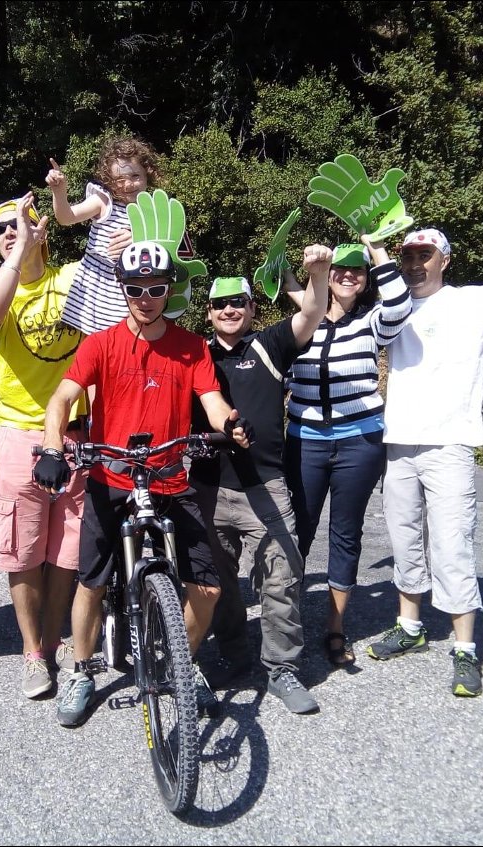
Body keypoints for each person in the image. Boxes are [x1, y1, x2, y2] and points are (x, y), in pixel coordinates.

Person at [32, 241, 252, 729]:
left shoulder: (191, 345)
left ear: (168, 289)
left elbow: (210, 397)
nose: (146, 297)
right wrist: (52, 447)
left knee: (208, 588)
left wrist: (228, 423)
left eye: (155, 288)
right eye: (135, 289)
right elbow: (62, 397)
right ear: (123, 289)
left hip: (170, 477)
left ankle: (181, 660)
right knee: (90, 580)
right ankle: (82, 669)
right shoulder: (100, 343)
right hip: (110, 476)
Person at [367, 227, 483, 698]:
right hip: (399, 442)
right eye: (407, 255)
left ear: (444, 260)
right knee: (405, 538)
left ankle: (465, 650)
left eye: (424, 255)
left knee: (452, 545)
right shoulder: (393, 305)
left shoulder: (472, 303)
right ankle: (409, 626)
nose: (413, 264)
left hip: (450, 443)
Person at [190, 244, 331, 715]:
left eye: (238, 302)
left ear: (253, 307)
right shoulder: (194, 355)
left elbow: (311, 313)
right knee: (220, 583)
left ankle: (283, 669)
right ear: (208, 313)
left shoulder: (269, 345)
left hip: (265, 486)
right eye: (219, 304)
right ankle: (233, 654)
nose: (229, 310)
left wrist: (319, 273)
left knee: (281, 580)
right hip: (209, 486)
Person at [0, 192, 87, 699]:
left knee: (67, 550)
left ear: (44, 229)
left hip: (78, 433)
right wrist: (20, 255)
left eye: (19, 224)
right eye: (1, 229)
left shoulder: (71, 279)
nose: (9, 233)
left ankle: (54, 634)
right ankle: (31, 653)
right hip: (21, 434)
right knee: (23, 551)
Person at [284, 236, 412, 669]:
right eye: (340, 267)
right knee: (297, 531)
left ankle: (335, 628)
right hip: (305, 441)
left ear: (365, 280)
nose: (346, 274)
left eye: (356, 270)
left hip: (360, 442)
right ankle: (289, 621)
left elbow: (399, 303)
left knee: (345, 533)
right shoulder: (302, 322)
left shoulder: (373, 321)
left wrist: (376, 250)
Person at [46, 136, 160, 335]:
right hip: (97, 292)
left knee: (123, 348)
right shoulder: (103, 201)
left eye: (135, 176)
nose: (128, 185)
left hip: (132, 293)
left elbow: (173, 250)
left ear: (147, 174)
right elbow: (66, 217)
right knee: (94, 351)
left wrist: (140, 239)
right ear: (109, 181)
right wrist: (59, 192)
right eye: (120, 179)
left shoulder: (154, 210)